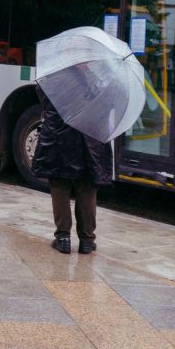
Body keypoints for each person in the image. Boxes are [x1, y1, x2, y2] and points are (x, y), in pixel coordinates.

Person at [31, 86, 112, 255]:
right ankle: (87, 241)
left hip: (59, 139)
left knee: (60, 186)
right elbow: (108, 107)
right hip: (90, 141)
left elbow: (43, 98)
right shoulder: (99, 81)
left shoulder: (55, 78)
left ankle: (63, 239)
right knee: (87, 189)